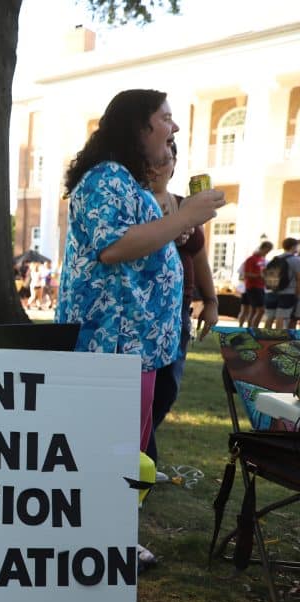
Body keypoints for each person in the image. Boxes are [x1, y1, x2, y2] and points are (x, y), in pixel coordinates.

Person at [55, 89, 224, 567]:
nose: (173, 129)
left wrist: (177, 227)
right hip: (109, 347)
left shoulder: (127, 182)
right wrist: (185, 216)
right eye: (165, 119)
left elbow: (141, 244)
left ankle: (113, 536)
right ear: (137, 127)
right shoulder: (105, 178)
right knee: (108, 449)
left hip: (136, 348)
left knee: (126, 450)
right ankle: (98, 542)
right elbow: (112, 247)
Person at [145, 142, 219, 466]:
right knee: (146, 389)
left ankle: (144, 449)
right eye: (161, 156)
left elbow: (199, 256)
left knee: (168, 389)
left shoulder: (183, 204)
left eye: (171, 157)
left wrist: (212, 300)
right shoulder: (140, 204)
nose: (166, 163)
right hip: (148, 312)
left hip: (180, 312)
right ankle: (142, 455)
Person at [265, 238, 300, 330]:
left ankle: (264, 336)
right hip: (288, 292)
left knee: (270, 317)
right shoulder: (295, 260)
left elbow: (265, 272)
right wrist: (297, 294)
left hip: (272, 290)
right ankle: (278, 338)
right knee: (281, 316)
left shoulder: (276, 258)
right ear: (293, 246)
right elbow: (298, 278)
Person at [238, 241, 273, 328]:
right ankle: (247, 328)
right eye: (267, 250)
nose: (267, 253)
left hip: (259, 287)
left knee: (253, 310)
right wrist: (259, 276)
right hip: (252, 287)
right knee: (256, 309)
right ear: (263, 248)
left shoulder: (263, 260)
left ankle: (250, 329)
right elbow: (245, 274)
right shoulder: (251, 259)